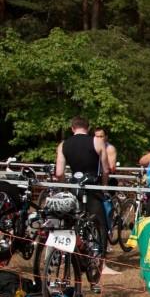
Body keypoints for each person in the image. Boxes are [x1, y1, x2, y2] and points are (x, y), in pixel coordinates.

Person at [55, 116, 110, 277]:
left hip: (73, 188)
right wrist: (104, 187)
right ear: (88, 127)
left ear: (72, 128)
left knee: (72, 223)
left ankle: (72, 258)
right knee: (100, 225)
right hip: (93, 188)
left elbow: (59, 172)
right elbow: (105, 169)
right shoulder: (97, 141)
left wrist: (65, 187)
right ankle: (100, 264)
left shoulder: (63, 144)